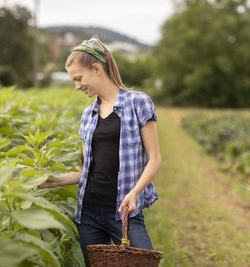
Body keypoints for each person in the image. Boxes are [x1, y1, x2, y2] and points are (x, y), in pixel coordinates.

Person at [38, 36, 161, 267]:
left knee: (144, 262)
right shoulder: (88, 115)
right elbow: (84, 171)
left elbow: (154, 159)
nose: (77, 86)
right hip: (89, 214)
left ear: (96, 69)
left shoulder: (139, 103)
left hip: (124, 211)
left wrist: (135, 192)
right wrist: (48, 182)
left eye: (78, 78)